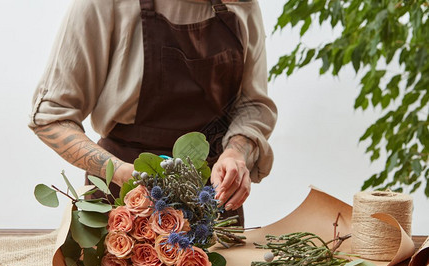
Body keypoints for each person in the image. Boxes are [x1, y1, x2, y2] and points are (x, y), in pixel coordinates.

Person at [29, 0, 277, 226]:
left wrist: (236, 151)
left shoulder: (239, 4)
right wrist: (120, 172)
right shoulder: (105, 5)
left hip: (213, 201)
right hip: (123, 202)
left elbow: (253, 104)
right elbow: (52, 118)